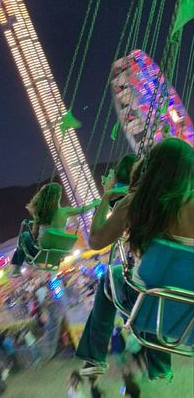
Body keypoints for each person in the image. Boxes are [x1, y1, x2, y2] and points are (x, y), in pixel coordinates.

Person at [76, 138, 194, 381]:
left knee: (113, 275)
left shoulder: (135, 203)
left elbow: (95, 241)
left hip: (147, 312)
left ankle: (94, 356)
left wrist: (106, 198)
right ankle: (160, 368)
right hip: (190, 321)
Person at [11, 182, 99, 276]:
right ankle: (22, 262)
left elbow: (34, 235)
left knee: (24, 236)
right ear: (59, 196)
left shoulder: (40, 214)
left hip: (40, 253)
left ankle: (17, 268)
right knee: (26, 242)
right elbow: (83, 209)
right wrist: (94, 204)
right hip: (57, 255)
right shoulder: (65, 211)